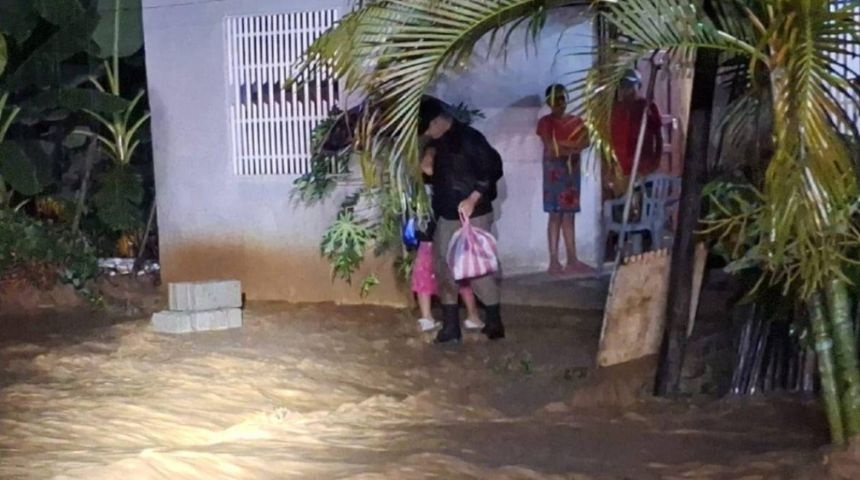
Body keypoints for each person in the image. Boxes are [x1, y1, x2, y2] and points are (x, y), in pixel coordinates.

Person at [418, 98, 505, 343]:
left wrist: (473, 198)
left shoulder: (470, 138)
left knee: (477, 268)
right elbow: (438, 176)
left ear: (438, 121)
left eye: (428, 128)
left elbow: (493, 169)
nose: (427, 133)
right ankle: (451, 326)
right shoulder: (437, 144)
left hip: (473, 214)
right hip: (447, 213)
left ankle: (495, 321)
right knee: (443, 266)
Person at [412, 146, 484, 333]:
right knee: (437, 271)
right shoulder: (443, 164)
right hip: (434, 226)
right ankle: (467, 316)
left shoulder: (448, 169)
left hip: (443, 227)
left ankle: (466, 316)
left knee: (454, 273)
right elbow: (427, 168)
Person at [536, 84, 592, 275]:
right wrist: (571, 146)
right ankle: (553, 261)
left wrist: (565, 146)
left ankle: (572, 259)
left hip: (570, 172)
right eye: (556, 99)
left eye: (562, 98)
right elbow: (552, 148)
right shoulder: (545, 122)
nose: (560, 103)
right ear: (549, 102)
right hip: (555, 172)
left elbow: (585, 141)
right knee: (555, 215)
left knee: (569, 215)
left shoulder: (576, 120)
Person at [607, 68, 664, 198]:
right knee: (622, 206)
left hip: (644, 165)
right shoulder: (615, 109)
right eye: (624, 86)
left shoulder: (646, 107)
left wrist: (656, 160)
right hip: (622, 167)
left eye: (630, 86)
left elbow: (658, 135)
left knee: (645, 203)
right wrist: (610, 167)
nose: (627, 90)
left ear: (637, 86)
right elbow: (609, 139)